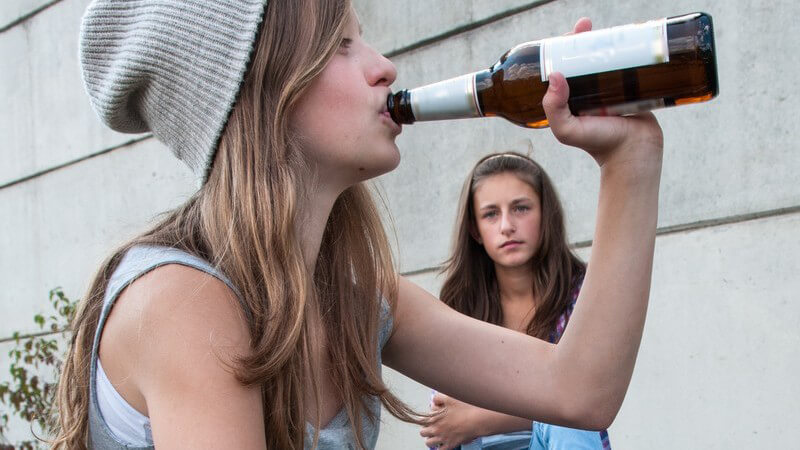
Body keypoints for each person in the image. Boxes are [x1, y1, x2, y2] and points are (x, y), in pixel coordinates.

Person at [51, 0, 664, 448]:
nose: (385, 67)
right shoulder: (185, 300)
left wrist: (629, 162)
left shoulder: (355, 295)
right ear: (261, 94)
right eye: (341, 45)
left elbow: (580, 390)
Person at [420, 152, 612, 450]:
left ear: (545, 214)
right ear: (475, 230)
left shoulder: (583, 293)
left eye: (521, 208)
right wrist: (537, 407)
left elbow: (587, 396)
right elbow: (443, 423)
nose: (507, 225)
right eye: (491, 214)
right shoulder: (459, 306)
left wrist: (480, 419)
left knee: (569, 416)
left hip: (558, 441)